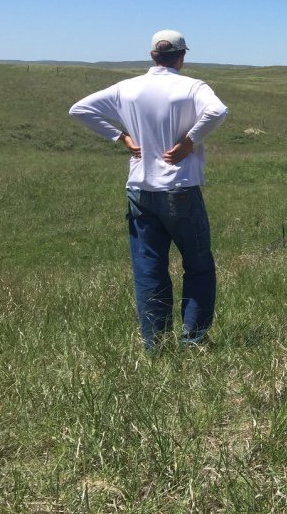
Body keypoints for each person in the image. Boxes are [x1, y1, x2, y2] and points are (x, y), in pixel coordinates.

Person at [69, 29, 228, 350]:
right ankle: (193, 340)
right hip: (180, 186)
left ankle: (155, 344)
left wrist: (121, 137)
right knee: (197, 266)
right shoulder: (192, 87)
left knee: (148, 268)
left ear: (152, 55)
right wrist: (189, 141)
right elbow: (218, 111)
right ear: (181, 56)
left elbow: (80, 109)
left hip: (140, 189)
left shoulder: (127, 89)